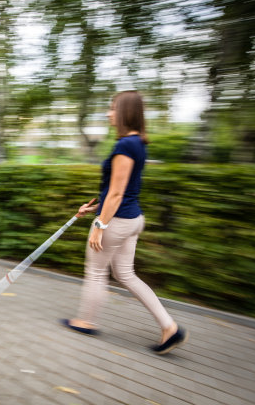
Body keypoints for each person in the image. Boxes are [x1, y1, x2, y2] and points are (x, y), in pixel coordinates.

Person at [61, 91, 188, 355]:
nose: (108, 113)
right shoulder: (139, 143)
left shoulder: (124, 146)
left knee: (96, 272)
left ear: (125, 113)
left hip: (116, 222)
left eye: (112, 108)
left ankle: (86, 320)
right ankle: (169, 327)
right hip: (133, 219)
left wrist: (99, 225)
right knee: (126, 275)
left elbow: (117, 193)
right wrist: (94, 207)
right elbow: (122, 190)